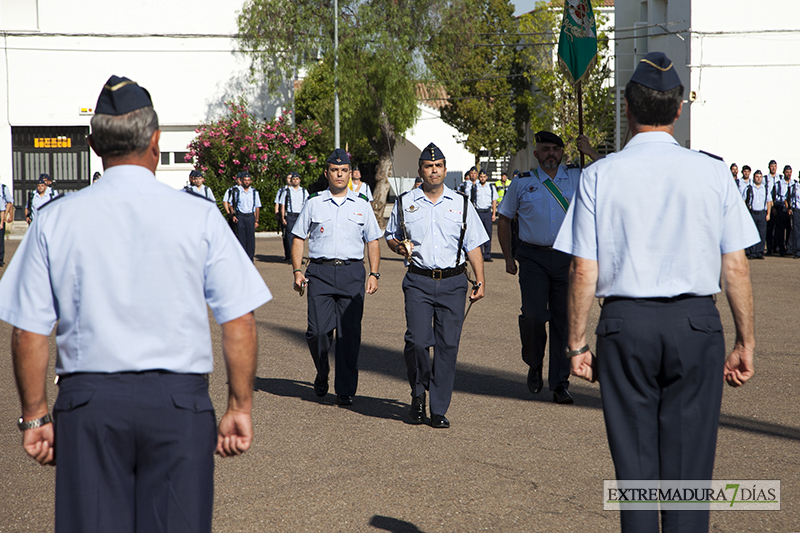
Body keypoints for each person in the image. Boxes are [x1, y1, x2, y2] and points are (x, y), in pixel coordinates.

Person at [0, 75, 272, 533]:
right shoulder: (199, 215)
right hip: (177, 405)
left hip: (91, 405)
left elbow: (29, 330)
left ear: (93, 144)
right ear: (156, 139)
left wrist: (34, 415)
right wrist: (239, 406)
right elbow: (239, 321)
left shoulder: (55, 220)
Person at [554, 52, 757, 533]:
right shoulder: (712, 173)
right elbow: (736, 267)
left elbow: (583, 269)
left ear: (628, 107)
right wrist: (745, 341)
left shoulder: (601, 175)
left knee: (637, 473)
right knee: (689, 478)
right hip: (695, 323)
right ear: (679, 109)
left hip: (627, 325)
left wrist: (577, 343)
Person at [385, 142, 488, 428]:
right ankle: (418, 391)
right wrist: (398, 247)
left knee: (447, 346)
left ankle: (438, 408)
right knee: (418, 342)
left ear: (445, 169)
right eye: (429, 166)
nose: (434, 171)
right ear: (421, 170)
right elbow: (391, 236)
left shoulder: (461, 204)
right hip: (418, 280)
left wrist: (480, 279)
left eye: (439, 166)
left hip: (453, 282)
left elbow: (474, 245)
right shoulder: (406, 202)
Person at [497, 130, 599, 404]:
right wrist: (508, 257)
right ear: (537, 154)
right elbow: (504, 219)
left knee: (562, 322)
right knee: (532, 316)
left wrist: (589, 151)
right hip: (533, 258)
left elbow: (611, 177)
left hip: (568, 258)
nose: (551, 153)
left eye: (556, 149)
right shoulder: (522, 183)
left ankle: (560, 383)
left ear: (563, 152)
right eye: (545, 149)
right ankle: (533, 362)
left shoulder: (577, 176)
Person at [291, 148, 382, 407]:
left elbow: (373, 241)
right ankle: (322, 371)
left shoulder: (362, 204)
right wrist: (297, 270)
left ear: (350, 175)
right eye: (334, 170)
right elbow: (299, 237)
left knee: (349, 335)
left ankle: (345, 389)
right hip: (319, 273)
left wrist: (374, 272)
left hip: (352, 273)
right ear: (326, 173)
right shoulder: (314, 202)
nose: (339, 175)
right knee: (317, 332)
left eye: (344, 171)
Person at [231, 171, 261, 261]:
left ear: (251, 181)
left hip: (250, 217)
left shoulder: (254, 192)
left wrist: (257, 220)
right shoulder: (237, 191)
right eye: (245, 180)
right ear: (242, 181)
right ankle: (242, 259)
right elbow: (232, 204)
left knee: (250, 238)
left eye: (248, 180)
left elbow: (257, 207)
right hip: (241, 216)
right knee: (241, 238)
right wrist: (233, 215)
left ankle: (250, 258)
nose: (247, 182)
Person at [281, 171, 308, 263]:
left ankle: (299, 258)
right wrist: (283, 218)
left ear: (299, 180)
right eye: (293, 179)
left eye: (297, 179)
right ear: (291, 181)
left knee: (300, 237)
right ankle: (291, 257)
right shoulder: (287, 191)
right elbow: (283, 205)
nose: (295, 181)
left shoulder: (304, 191)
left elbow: (307, 204)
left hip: (300, 215)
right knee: (290, 237)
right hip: (290, 215)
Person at [472, 169, 498, 261]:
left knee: (488, 234)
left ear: (486, 177)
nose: (482, 178)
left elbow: (494, 201)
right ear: (479, 177)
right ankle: (480, 254)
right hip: (478, 212)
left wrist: (494, 214)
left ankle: (487, 254)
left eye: (484, 177)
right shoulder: (475, 187)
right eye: (481, 177)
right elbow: (472, 201)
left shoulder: (491, 187)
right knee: (478, 234)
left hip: (487, 213)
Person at [744, 170, 771, 259]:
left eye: (760, 177)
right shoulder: (749, 188)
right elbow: (744, 201)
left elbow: (768, 202)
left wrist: (768, 214)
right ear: (754, 177)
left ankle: (759, 252)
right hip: (753, 213)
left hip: (762, 213)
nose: (758, 179)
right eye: (757, 177)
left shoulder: (765, 189)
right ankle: (752, 252)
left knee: (762, 233)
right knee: (752, 233)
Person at [772, 165, 792, 256]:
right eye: (787, 172)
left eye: (790, 172)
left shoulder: (793, 183)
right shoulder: (778, 183)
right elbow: (774, 197)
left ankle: (789, 248)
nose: (788, 174)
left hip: (791, 209)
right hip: (781, 208)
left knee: (790, 229)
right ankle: (781, 249)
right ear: (784, 172)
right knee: (780, 230)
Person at [765, 159, 779, 253]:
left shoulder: (780, 178)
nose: (773, 168)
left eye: (774, 166)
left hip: (778, 205)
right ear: (769, 167)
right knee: (769, 228)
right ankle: (769, 247)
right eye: (771, 166)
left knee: (778, 228)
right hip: (769, 204)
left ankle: (777, 247)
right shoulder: (765, 178)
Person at [786, 175, 800, 257]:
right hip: (797, 210)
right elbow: (789, 198)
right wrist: (789, 208)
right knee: (796, 231)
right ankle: (797, 251)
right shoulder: (795, 186)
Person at [0, 180, 13, 266]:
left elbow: (9, 202)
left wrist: (9, 215)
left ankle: (0, 259)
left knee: (0, 239)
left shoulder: (3, 188)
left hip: (1, 215)